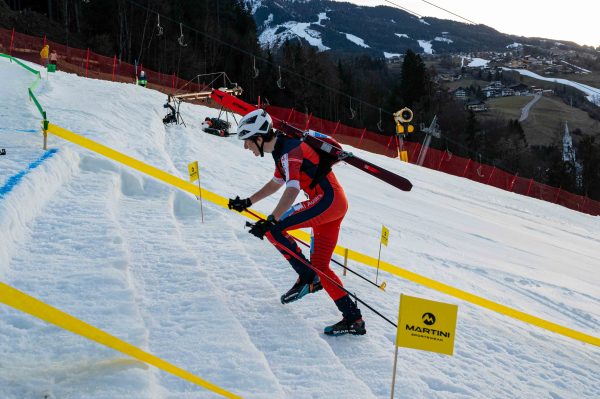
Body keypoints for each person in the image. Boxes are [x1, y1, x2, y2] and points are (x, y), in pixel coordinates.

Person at [228, 109, 366, 336]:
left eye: (248, 142)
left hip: (327, 201)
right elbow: (275, 184)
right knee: (320, 265)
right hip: (331, 203)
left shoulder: (290, 150)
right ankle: (354, 319)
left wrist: (271, 220)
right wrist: (247, 202)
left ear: (260, 138)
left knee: (274, 231)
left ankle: (307, 277)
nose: (246, 147)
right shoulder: (281, 150)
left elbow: (291, 190)